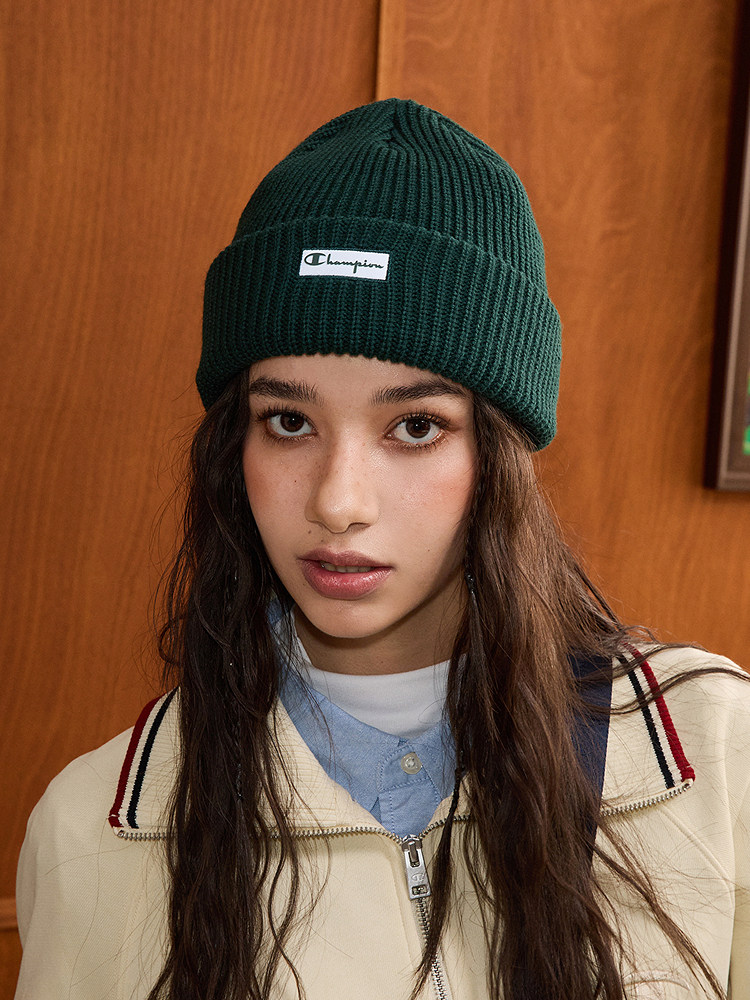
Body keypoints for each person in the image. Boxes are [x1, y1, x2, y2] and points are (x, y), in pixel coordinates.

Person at [13, 98, 750, 1000]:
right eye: (288, 422)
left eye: (415, 426)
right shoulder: (94, 831)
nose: (338, 502)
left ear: (499, 456)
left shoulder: (719, 759)